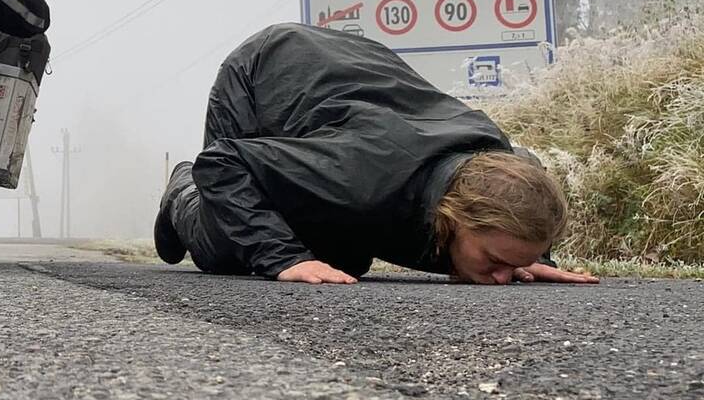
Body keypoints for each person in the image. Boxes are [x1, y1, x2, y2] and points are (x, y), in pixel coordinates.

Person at [153, 23, 599, 286]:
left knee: (342, 257)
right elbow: (225, 163)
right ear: (455, 215)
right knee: (232, 246)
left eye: (508, 266)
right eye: (495, 262)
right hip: (261, 75)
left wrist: (530, 258)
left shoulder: (502, 163)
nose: (504, 278)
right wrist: (286, 258)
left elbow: (523, 184)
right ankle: (180, 191)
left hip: (359, 74)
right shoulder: (359, 172)